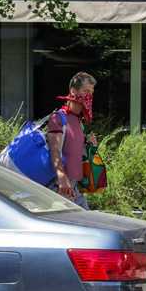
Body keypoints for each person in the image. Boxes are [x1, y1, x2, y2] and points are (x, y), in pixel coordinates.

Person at [46, 72, 97, 209]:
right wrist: (61, 177)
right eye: (86, 91)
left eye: (91, 92)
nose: (89, 96)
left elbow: (76, 154)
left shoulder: (78, 121)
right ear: (73, 91)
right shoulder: (58, 118)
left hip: (75, 187)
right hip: (60, 188)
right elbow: (54, 150)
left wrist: (90, 146)